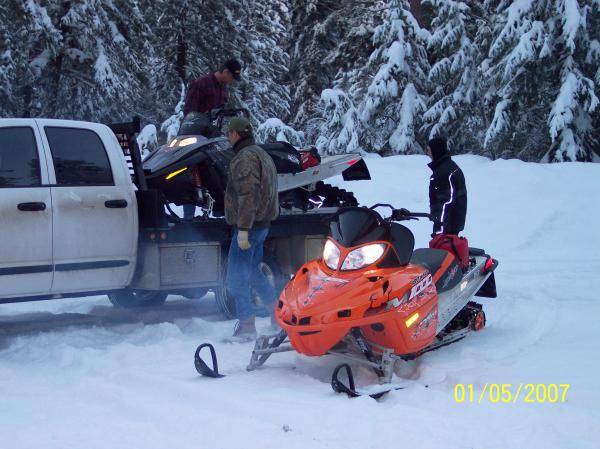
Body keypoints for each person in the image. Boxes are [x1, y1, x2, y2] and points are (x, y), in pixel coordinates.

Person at [223, 117, 279, 341]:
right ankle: (277, 315)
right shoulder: (261, 153)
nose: (228, 137)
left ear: (236, 134)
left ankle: (247, 326)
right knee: (254, 272)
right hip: (262, 224)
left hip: (250, 226)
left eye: (229, 133)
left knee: (236, 276)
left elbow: (249, 195)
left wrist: (244, 228)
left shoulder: (244, 158)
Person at [181, 58, 242, 219]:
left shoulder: (223, 89)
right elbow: (189, 112)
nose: (232, 82)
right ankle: (189, 217)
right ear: (226, 72)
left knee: (216, 173)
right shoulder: (201, 84)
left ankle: (219, 208)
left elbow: (220, 113)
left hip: (211, 140)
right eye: (232, 78)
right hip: (195, 138)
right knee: (193, 177)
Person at [426, 137, 467, 236]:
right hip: (451, 224)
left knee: (443, 251)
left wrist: (440, 228)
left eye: (429, 150)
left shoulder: (444, 172)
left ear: (436, 151)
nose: (427, 153)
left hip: (448, 226)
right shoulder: (446, 167)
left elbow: (446, 202)